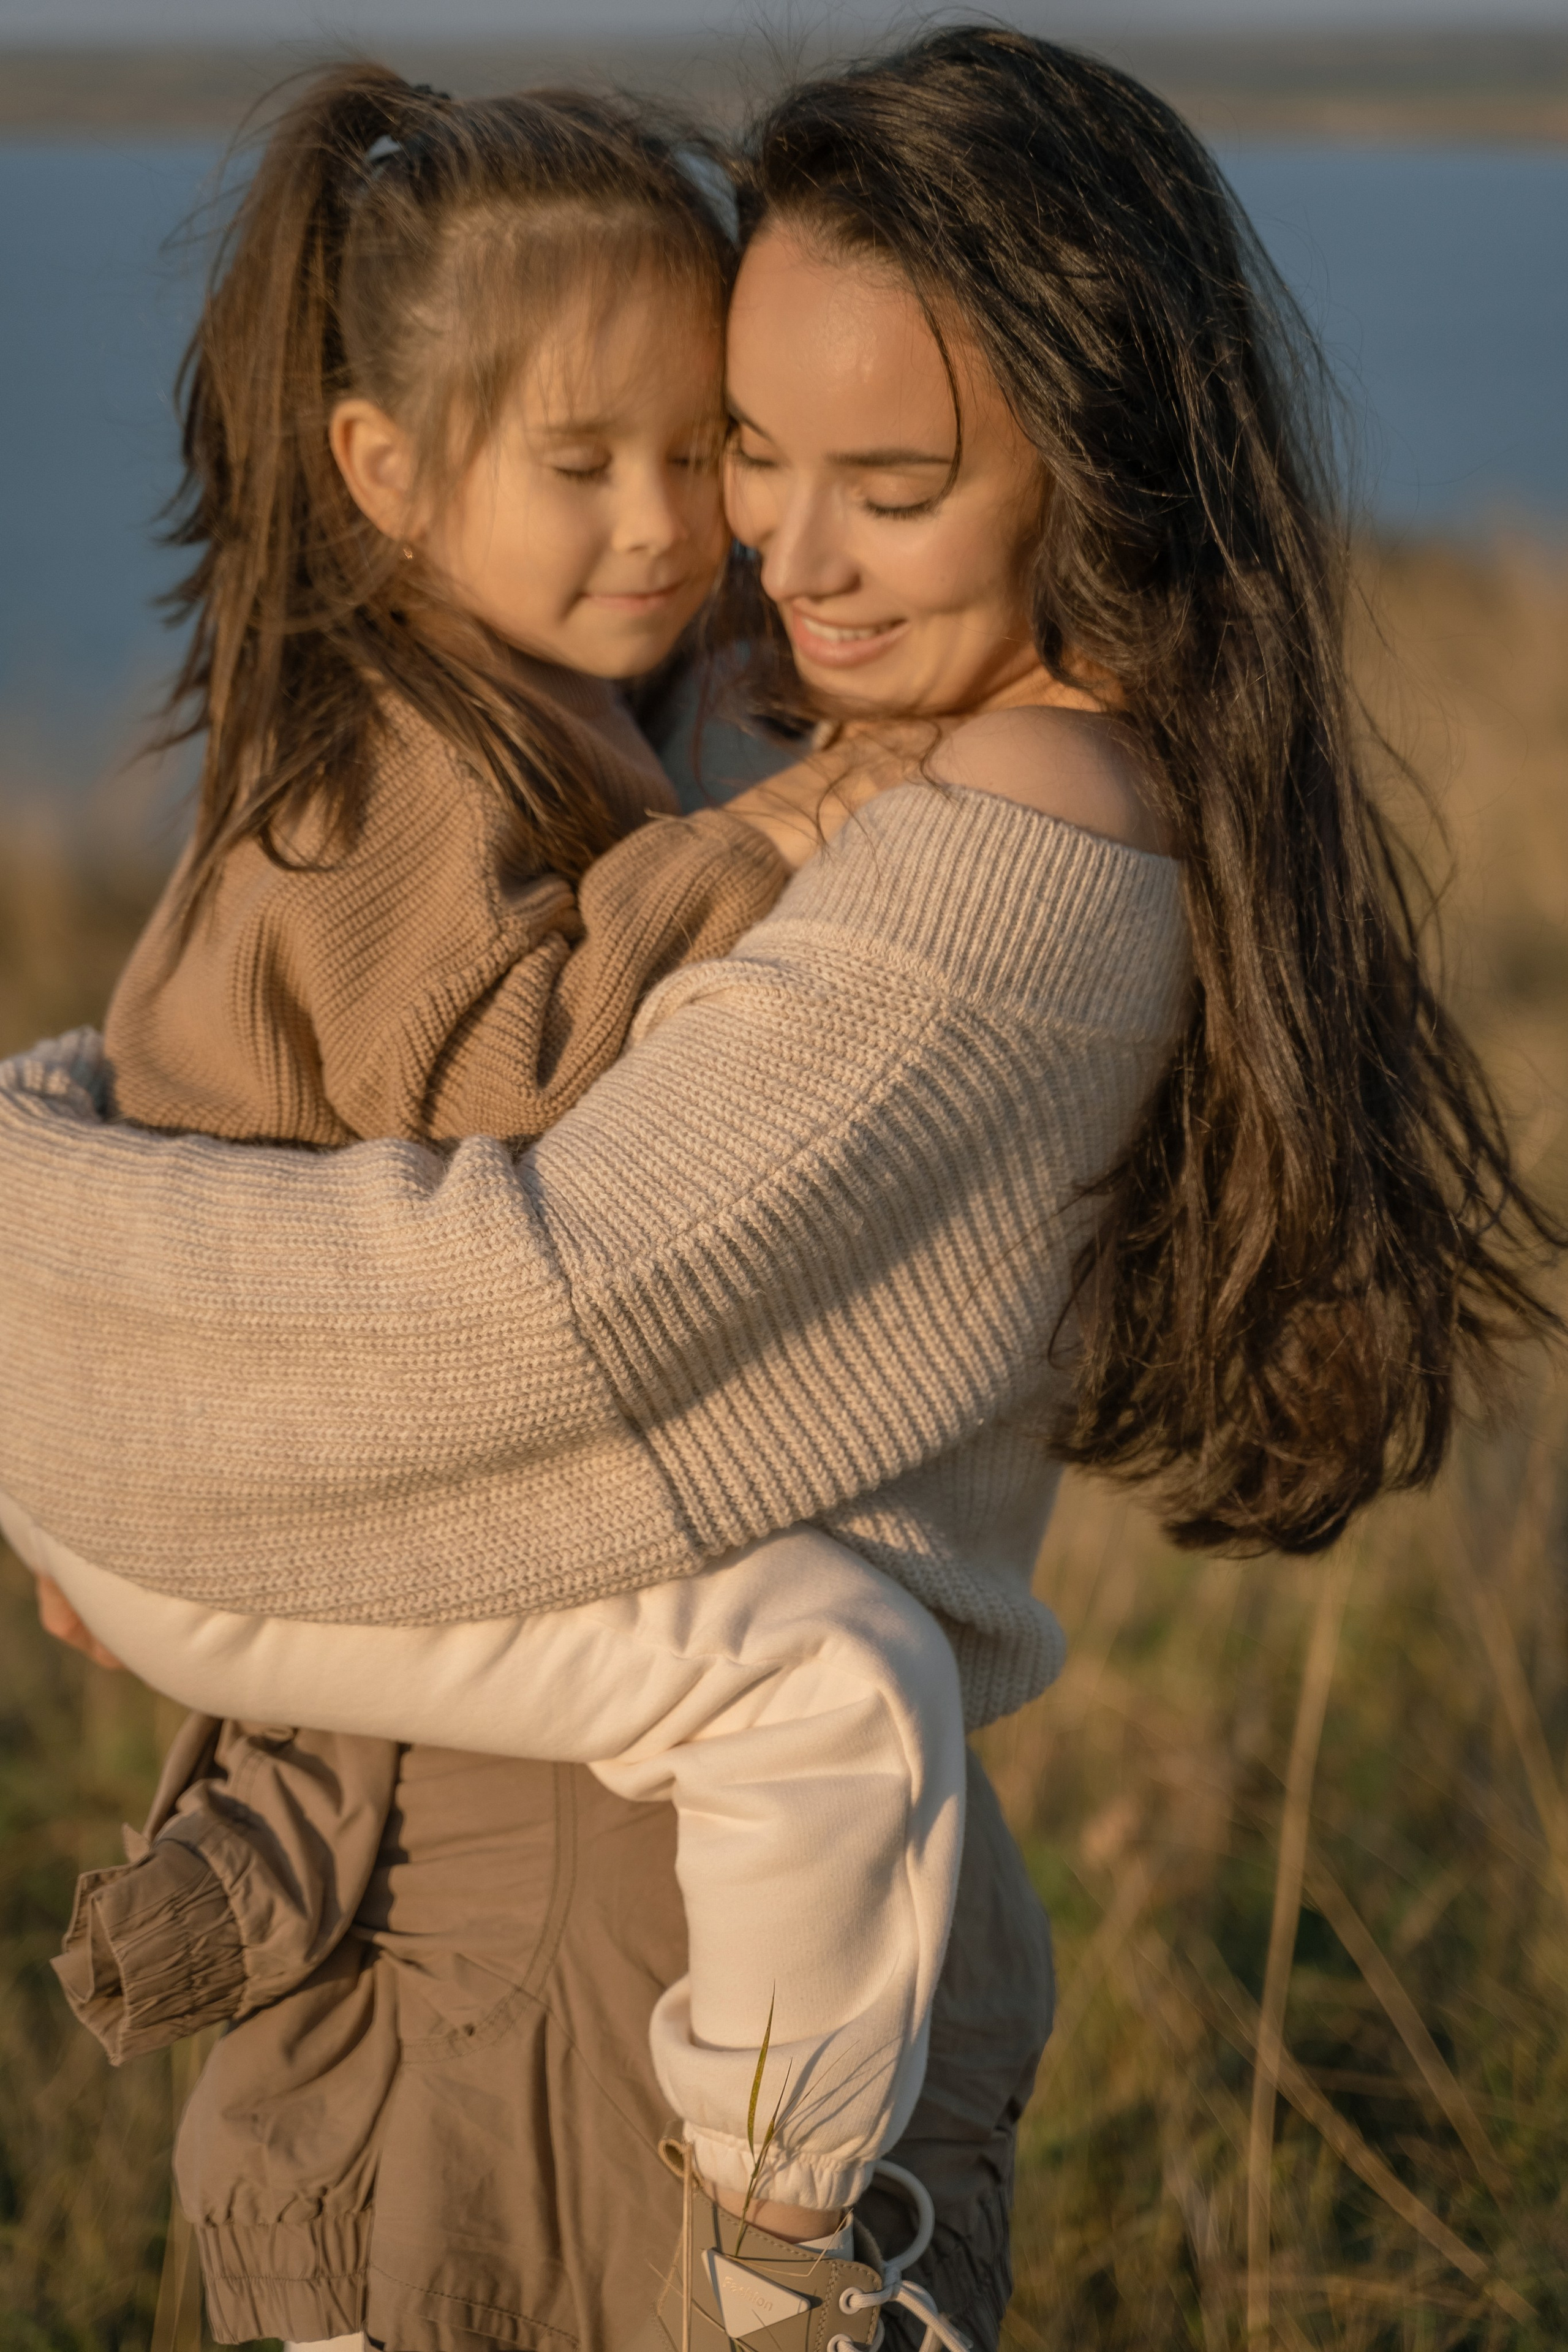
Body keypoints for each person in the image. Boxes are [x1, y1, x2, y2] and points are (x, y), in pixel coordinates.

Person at [6, 26, 1558, 2350]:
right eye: (749, 445)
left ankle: (785, 2248)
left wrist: (69, 1310)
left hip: (583, 2048)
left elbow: (528, 1323)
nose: (759, 546)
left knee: (810, 1690)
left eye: (893, 481)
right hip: (462, 2001)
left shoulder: (1005, 833)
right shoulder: (739, 719)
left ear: (1092, 471)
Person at [24, 65, 981, 2352]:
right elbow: (501, 1095)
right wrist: (756, 852)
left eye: (701, 453)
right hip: (225, 1474)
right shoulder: (396, 762)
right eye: (585, 465)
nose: (667, 527)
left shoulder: (541, 709)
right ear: (383, 468)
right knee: (826, 1676)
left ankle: (281, 1861)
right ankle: (781, 2266)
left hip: (238, 1457)